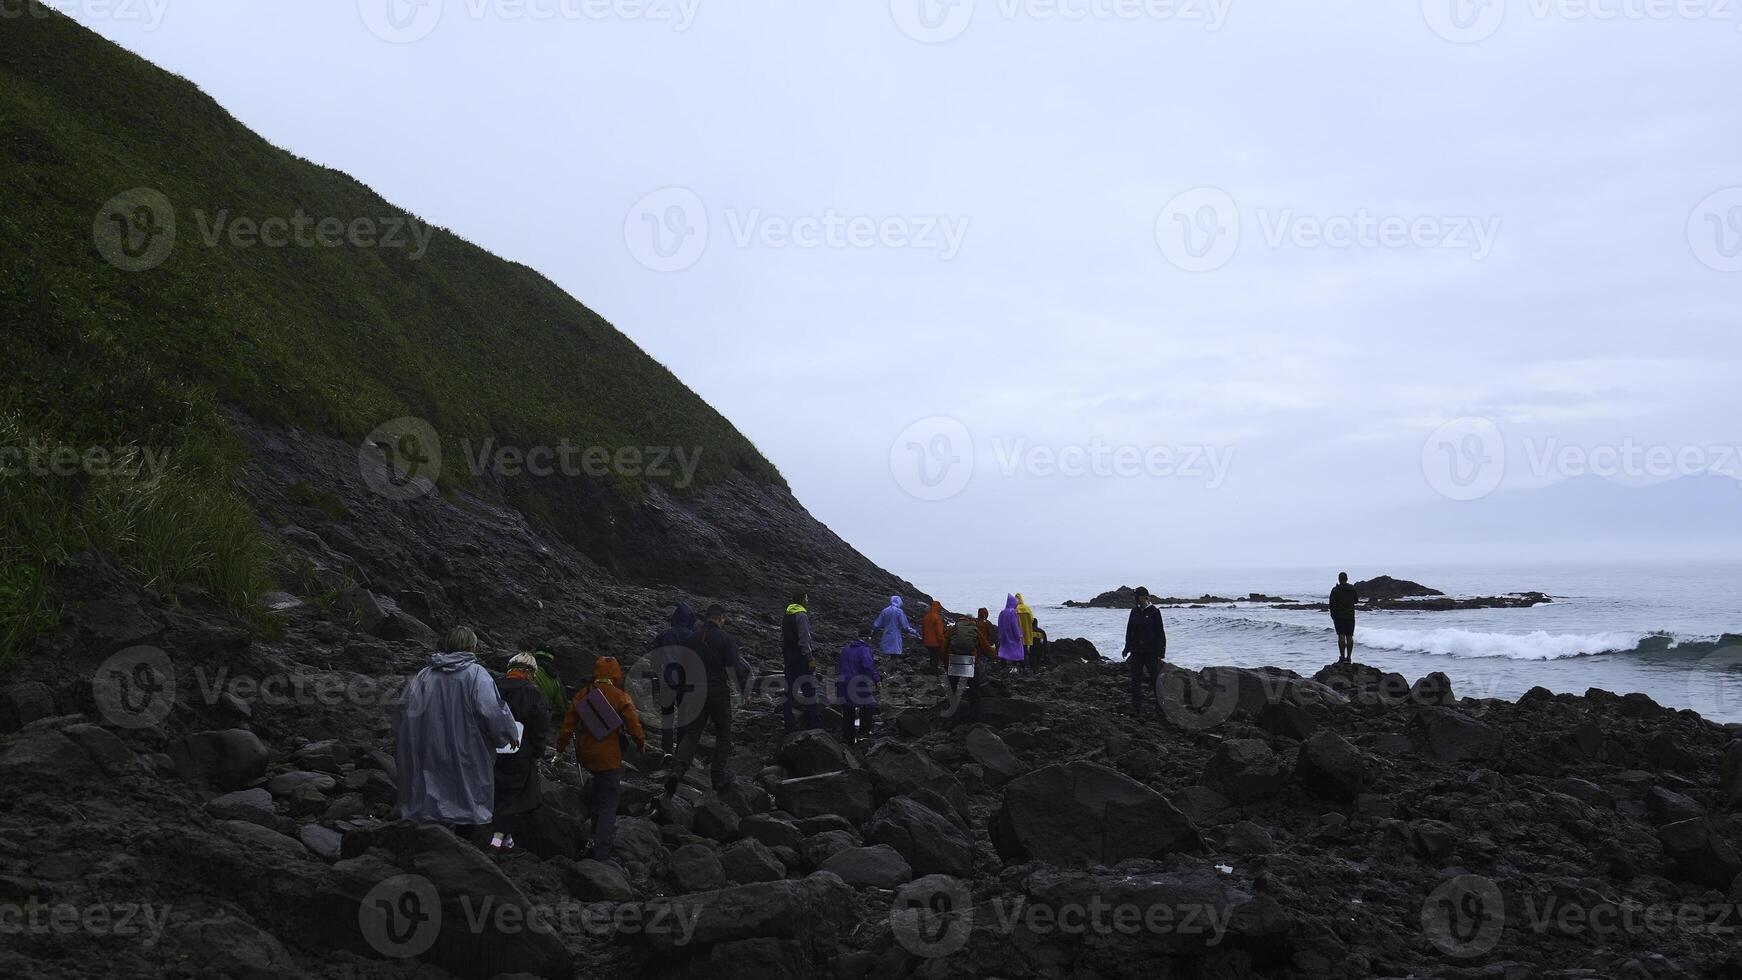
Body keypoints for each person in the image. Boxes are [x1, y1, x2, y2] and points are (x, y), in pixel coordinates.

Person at [393, 626, 520, 837]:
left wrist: (405, 740)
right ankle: (460, 846)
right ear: (472, 647)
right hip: (465, 747)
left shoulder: (425, 675)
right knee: (465, 796)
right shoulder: (476, 675)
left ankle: (428, 840)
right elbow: (492, 710)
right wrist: (508, 733)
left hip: (428, 745)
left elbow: (405, 709)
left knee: (430, 791)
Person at [555, 655, 646, 862]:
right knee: (608, 803)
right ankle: (601, 852)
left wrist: (559, 750)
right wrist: (641, 744)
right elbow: (634, 726)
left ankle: (592, 839)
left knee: (598, 796)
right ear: (616, 674)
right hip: (609, 757)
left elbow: (567, 726)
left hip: (587, 755)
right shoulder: (620, 696)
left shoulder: (583, 694)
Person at [665, 605, 752, 797]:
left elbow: (680, 669)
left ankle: (677, 771)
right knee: (723, 734)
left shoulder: (690, 640)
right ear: (720, 618)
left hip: (693, 693)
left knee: (691, 736)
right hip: (717, 692)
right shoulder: (725, 638)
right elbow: (733, 667)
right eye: (724, 620)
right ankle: (718, 776)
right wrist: (743, 692)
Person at [489, 652, 553, 857]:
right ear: (529, 673)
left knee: (496, 792)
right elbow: (540, 726)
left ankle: (507, 842)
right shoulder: (532, 693)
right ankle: (496, 842)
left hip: (489, 750)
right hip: (519, 753)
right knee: (512, 798)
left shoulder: (492, 687)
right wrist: (538, 750)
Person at [647, 603, 699, 755]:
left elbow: (655, 659)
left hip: (667, 681)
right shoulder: (694, 637)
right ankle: (680, 750)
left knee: (667, 716)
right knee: (684, 717)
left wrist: (657, 672)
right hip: (687, 682)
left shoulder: (664, 635)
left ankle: (667, 749)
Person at [1121, 588, 1167, 715]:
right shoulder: (1134, 611)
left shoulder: (1154, 612)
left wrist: (1160, 653)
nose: (1135, 599)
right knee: (1135, 679)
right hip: (1136, 651)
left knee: (1155, 680)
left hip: (1151, 652)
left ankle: (1161, 706)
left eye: (1137, 596)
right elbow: (1129, 630)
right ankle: (1136, 707)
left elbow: (1160, 633)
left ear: (1144, 597)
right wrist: (1127, 647)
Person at [782, 591, 822, 732]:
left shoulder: (787, 615)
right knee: (809, 691)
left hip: (788, 656)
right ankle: (814, 724)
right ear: (802, 600)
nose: (808, 600)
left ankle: (789, 725)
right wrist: (810, 658)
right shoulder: (802, 615)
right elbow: (804, 640)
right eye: (806, 598)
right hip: (800, 657)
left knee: (789, 692)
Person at [945, 611, 993, 725]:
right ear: (971, 620)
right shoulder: (974, 630)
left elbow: (944, 647)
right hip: (971, 662)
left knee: (953, 690)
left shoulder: (953, 629)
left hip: (954, 661)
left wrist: (946, 662)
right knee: (974, 692)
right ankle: (975, 720)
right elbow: (987, 648)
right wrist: (993, 655)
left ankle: (953, 718)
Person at [836, 630, 881, 746]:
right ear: (867, 638)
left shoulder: (846, 648)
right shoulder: (865, 650)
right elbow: (868, 666)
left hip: (843, 682)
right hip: (858, 682)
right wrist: (876, 679)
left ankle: (848, 739)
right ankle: (863, 735)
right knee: (868, 706)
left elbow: (840, 665)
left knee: (848, 710)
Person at [1330, 572, 1359, 665]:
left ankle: (1342, 657)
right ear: (1347, 579)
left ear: (1339, 579)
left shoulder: (1335, 590)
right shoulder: (1352, 589)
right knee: (1349, 636)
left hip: (1339, 617)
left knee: (1341, 636)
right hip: (1350, 616)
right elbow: (1356, 601)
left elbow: (1332, 604)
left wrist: (1333, 615)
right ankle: (1349, 657)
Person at [996, 594, 1028, 673]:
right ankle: (1023, 668)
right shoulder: (1012, 612)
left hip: (1004, 636)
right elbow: (1014, 625)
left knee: (1003, 652)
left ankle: (1003, 668)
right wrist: (1018, 635)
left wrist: (1000, 635)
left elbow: (999, 624)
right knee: (1018, 653)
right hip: (1013, 636)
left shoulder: (1002, 612)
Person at [921, 600, 947, 674]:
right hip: (935, 642)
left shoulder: (926, 617)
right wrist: (943, 641)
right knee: (935, 657)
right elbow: (939, 632)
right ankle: (934, 671)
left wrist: (923, 639)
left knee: (932, 656)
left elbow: (923, 629)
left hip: (927, 641)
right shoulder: (937, 617)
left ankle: (932, 669)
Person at [1016, 593, 1036, 662]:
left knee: (1018, 648)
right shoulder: (1027, 608)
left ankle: (1019, 663)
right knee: (1025, 647)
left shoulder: (1015, 609)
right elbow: (1032, 619)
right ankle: (1025, 662)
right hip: (1026, 631)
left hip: (1018, 632)